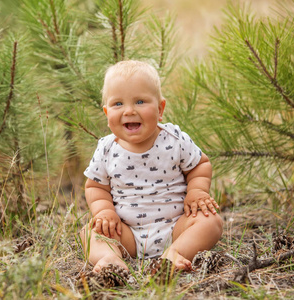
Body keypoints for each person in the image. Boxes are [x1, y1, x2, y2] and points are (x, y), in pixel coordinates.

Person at [80, 60, 223, 273]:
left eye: (140, 101)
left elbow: (200, 165)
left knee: (211, 222)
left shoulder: (174, 139)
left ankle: (176, 253)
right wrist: (104, 211)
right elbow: (95, 187)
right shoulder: (106, 149)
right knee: (88, 232)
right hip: (127, 233)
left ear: (160, 108)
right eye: (118, 104)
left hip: (178, 227)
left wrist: (197, 191)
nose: (129, 111)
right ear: (106, 112)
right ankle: (111, 258)